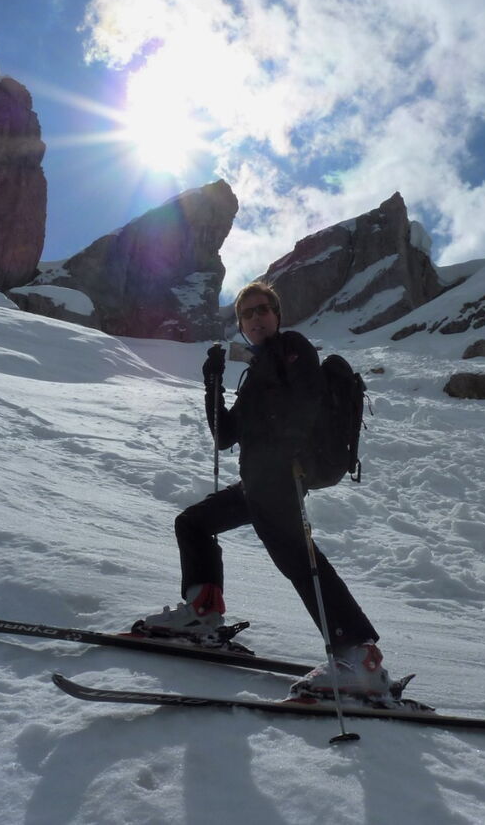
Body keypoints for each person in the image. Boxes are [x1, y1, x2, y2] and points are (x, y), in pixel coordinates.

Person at [140, 281, 391, 701]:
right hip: (257, 483)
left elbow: (307, 401)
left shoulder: (293, 349)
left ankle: (359, 656)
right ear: (240, 325)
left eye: (262, 310)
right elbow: (226, 436)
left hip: (281, 479)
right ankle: (202, 611)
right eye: (247, 314)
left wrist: (287, 449)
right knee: (194, 523)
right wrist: (212, 384)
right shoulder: (257, 372)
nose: (255, 318)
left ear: (277, 316)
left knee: (300, 562)